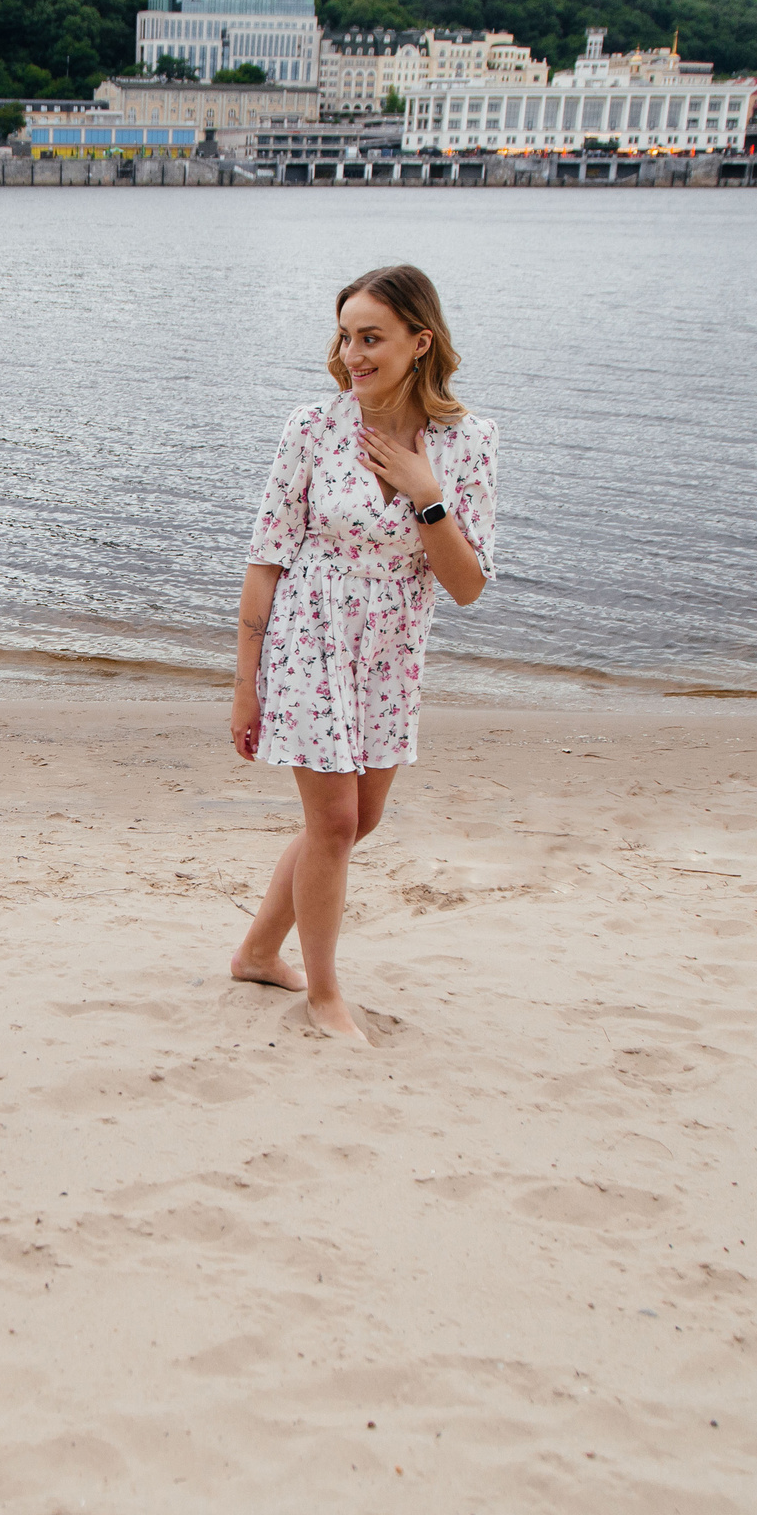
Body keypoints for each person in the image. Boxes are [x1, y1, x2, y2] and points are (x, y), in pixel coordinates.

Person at [227, 265, 497, 1043]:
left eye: (371, 337)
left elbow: (466, 584)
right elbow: (265, 560)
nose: (352, 354)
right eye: (346, 336)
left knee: (354, 821)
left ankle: (256, 952)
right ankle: (324, 994)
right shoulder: (314, 427)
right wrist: (245, 685)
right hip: (310, 635)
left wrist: (425, 492)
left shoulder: (468, 442)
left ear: (421, 341)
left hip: (393, 650)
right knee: (336, 822)